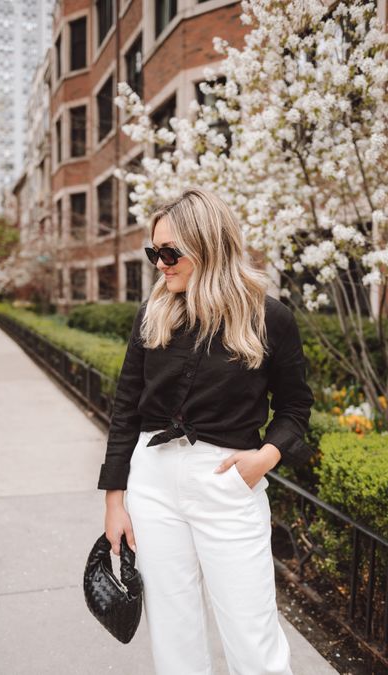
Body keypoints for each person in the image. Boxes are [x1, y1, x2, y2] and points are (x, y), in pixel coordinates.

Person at [97, 187, 315, 675]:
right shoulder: (154, 313)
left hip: (226, 481)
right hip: (152, 482)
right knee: (173, 637)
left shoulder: (268, 317)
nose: (160, 264)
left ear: (209, 246)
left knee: (252, 637)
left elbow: (296, 408)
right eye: (154, 253)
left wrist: (266, 457)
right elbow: (125, 408)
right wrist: (115, 500)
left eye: (170, 253)